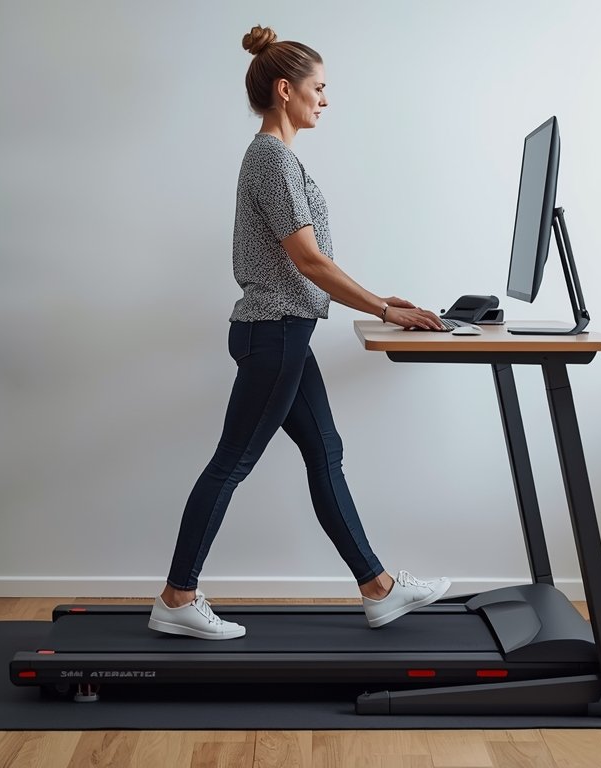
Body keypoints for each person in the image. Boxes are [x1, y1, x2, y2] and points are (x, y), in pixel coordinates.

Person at [148, 25, 452, 640]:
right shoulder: (271, 159)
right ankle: (177, 597)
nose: (326, 99)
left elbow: (309, 266)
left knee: (325, 455)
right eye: (319, 88)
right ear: (286, 90)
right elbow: (308, 260)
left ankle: (379, 589)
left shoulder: (277, 158)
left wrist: (377, 298)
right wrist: (386, 312)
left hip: (286, 332)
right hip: (274, 334)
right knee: (231, 463)